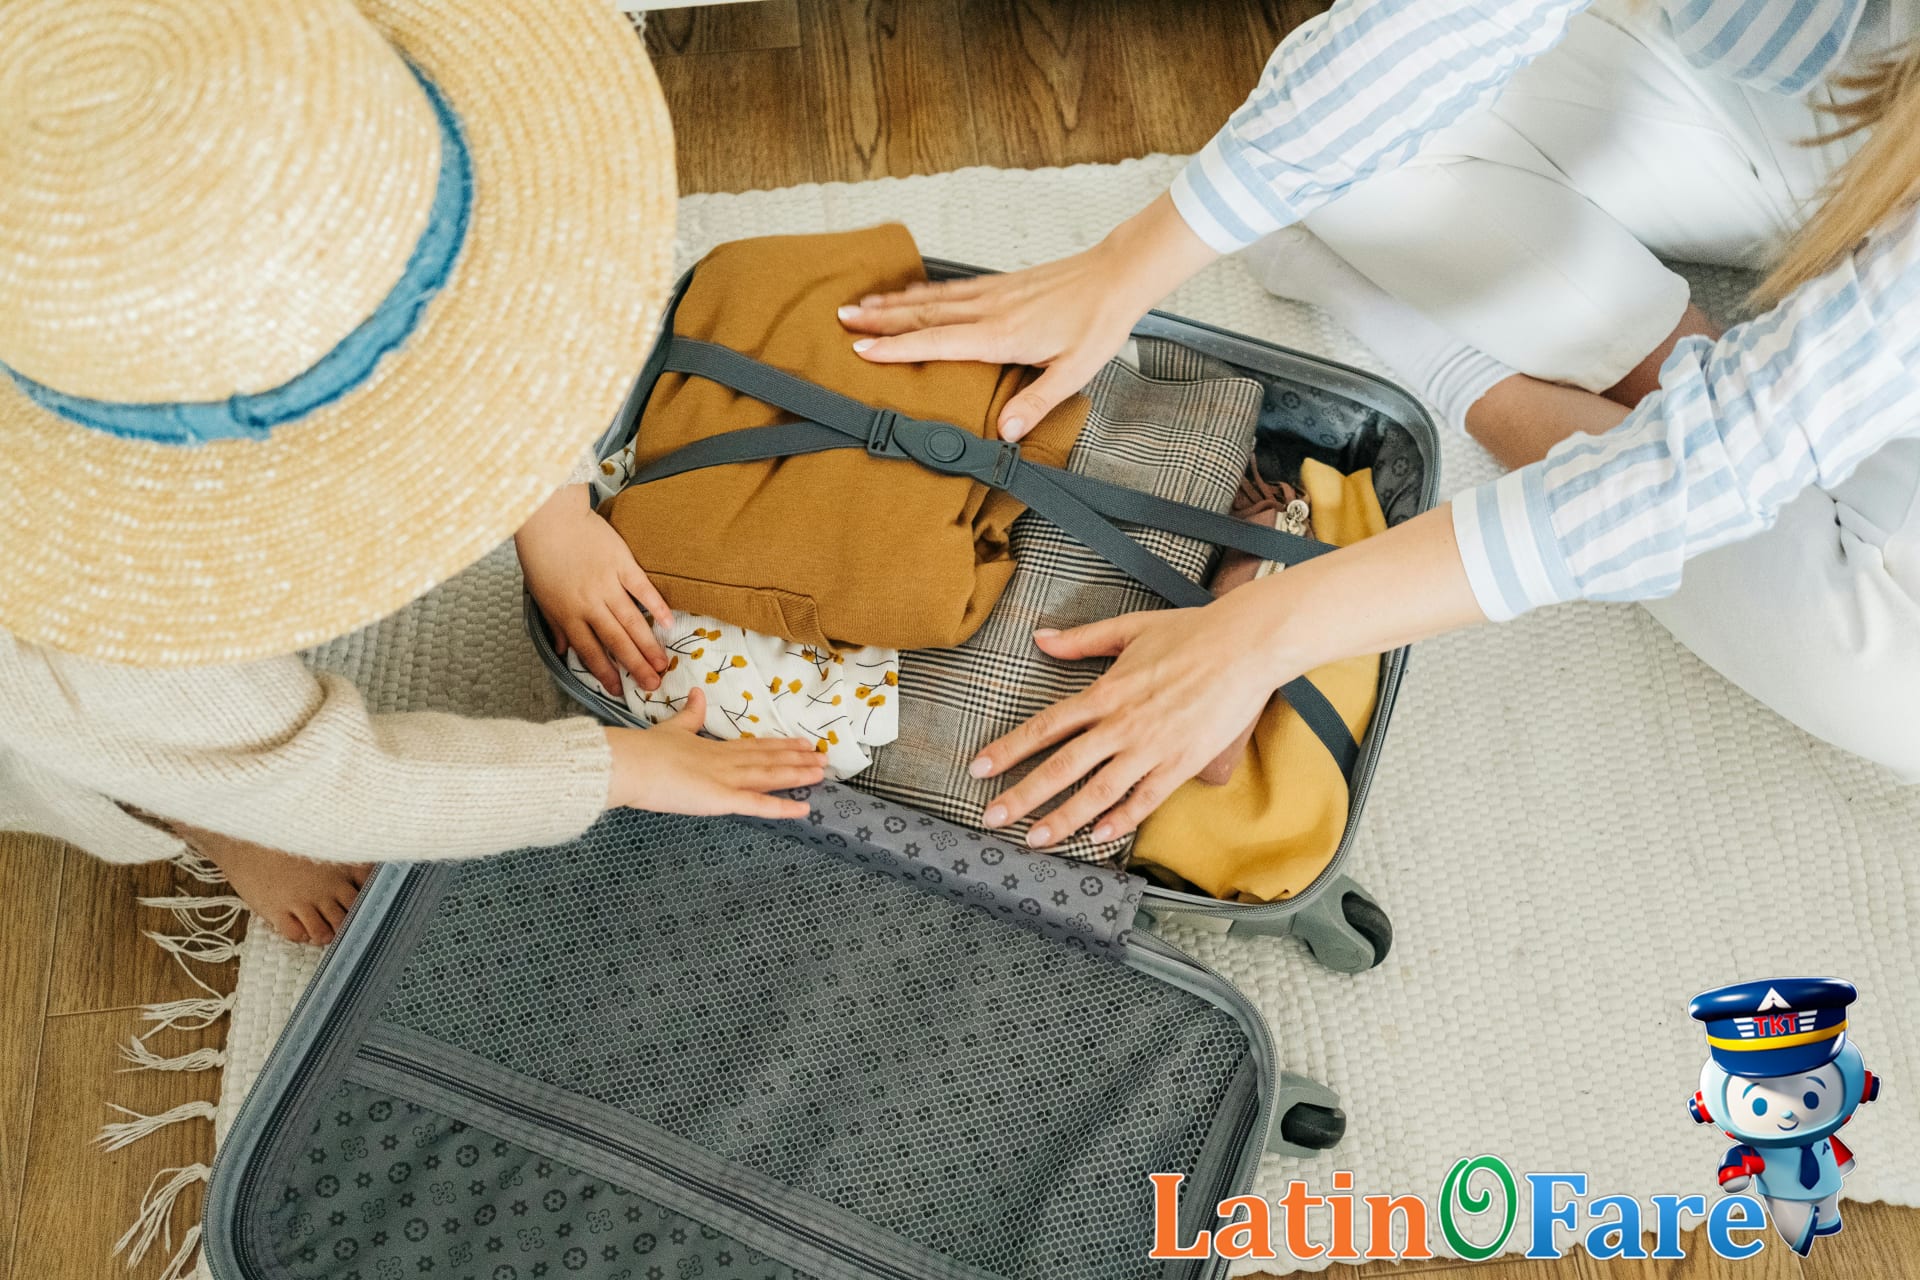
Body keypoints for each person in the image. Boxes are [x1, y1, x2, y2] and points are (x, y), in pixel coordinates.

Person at [840, 0, 1920, 849]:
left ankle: (1441, 351)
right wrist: (1129, 260)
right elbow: (1445, 20)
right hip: (1816, 102)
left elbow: (1715, 459)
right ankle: (1709, 385)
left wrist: (1268, 627)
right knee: (1354, 155)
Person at [0, 0, 823, 946]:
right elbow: (328, 783)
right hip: (60, 689)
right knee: (177, 761)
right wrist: (623, 769)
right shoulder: (107, 624)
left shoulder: (170, 76)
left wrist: (548, 502)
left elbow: (506, 320)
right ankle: (198, 816)